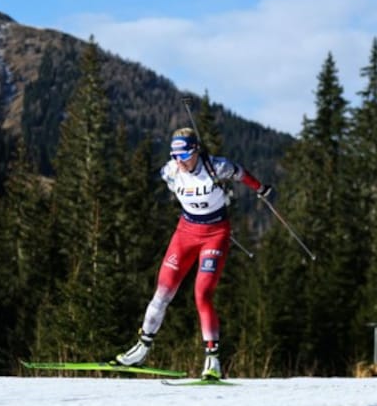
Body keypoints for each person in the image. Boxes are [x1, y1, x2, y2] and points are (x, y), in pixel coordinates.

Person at [114, 127, 272, 380]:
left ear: (196, 151)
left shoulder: (217, 167)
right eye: (176, 156)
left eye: (185, 155)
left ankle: (213, 361)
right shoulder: (170, 171)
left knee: (202, 293)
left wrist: (260, 188)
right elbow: (167, 183)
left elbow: (242, 173)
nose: (181, 161)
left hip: (215, 235)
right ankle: (141, 349)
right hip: (185, 233)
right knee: (163, 290)